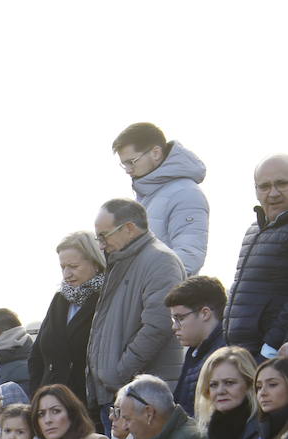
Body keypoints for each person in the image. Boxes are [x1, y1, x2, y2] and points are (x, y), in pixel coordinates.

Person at [87, 199, 186, 418]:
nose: (101, 245)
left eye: (104, 236)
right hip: (121, 395)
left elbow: (158, 325)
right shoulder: (121, 262)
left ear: (129, 228)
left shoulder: (160, 261)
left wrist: (119, 373)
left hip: (143, 400)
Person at [112, 122, 209, 274]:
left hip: (164, 296)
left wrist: (150, 289)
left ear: (156, 153)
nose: (128, 170)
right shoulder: (148, 195)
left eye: (131, 162)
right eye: (124, 164)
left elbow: (189, 257)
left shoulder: (186, 193)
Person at [225, 154, 288, 353]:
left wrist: (272, 345)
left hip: (270, 355)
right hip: (242, 351)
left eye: (282, 183)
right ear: (256, 191)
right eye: (265, 186)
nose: (273, 193)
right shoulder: (254, 230)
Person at [31, 232, 106, 398]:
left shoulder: (107, 299)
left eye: (73, 266)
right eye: (63, 267)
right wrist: (37, 396)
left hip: (88, 403)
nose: (66, 274)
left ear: (95, 263)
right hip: (51, 402)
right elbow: (36, 356)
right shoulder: (60, 299)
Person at [164, 275, 227, 415]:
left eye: (180, 318)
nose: (174, 327)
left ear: (205, 313)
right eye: (173, 319)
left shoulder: (223, 356)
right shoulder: (195, 350)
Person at [196, 346, 260, 439]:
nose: (220, 391)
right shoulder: (215, 427)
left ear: (249, 385)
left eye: (229, 383)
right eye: (213, 385)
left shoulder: (260, 428)